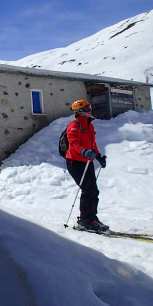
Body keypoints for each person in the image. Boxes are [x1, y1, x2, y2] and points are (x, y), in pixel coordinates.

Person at [66, 99, 108, 232]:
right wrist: (84, 151)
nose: (90, 110)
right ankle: (84, 221)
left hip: (87, 161)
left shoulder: (90, 125)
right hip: (75, 162)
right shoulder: (74, 124)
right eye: (86, 109)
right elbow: (73, 142)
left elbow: (92, 144)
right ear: (79, 111)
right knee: (88, 189)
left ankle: (92, 219)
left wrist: (99, 156)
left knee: (94, 190)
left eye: (89, 107)